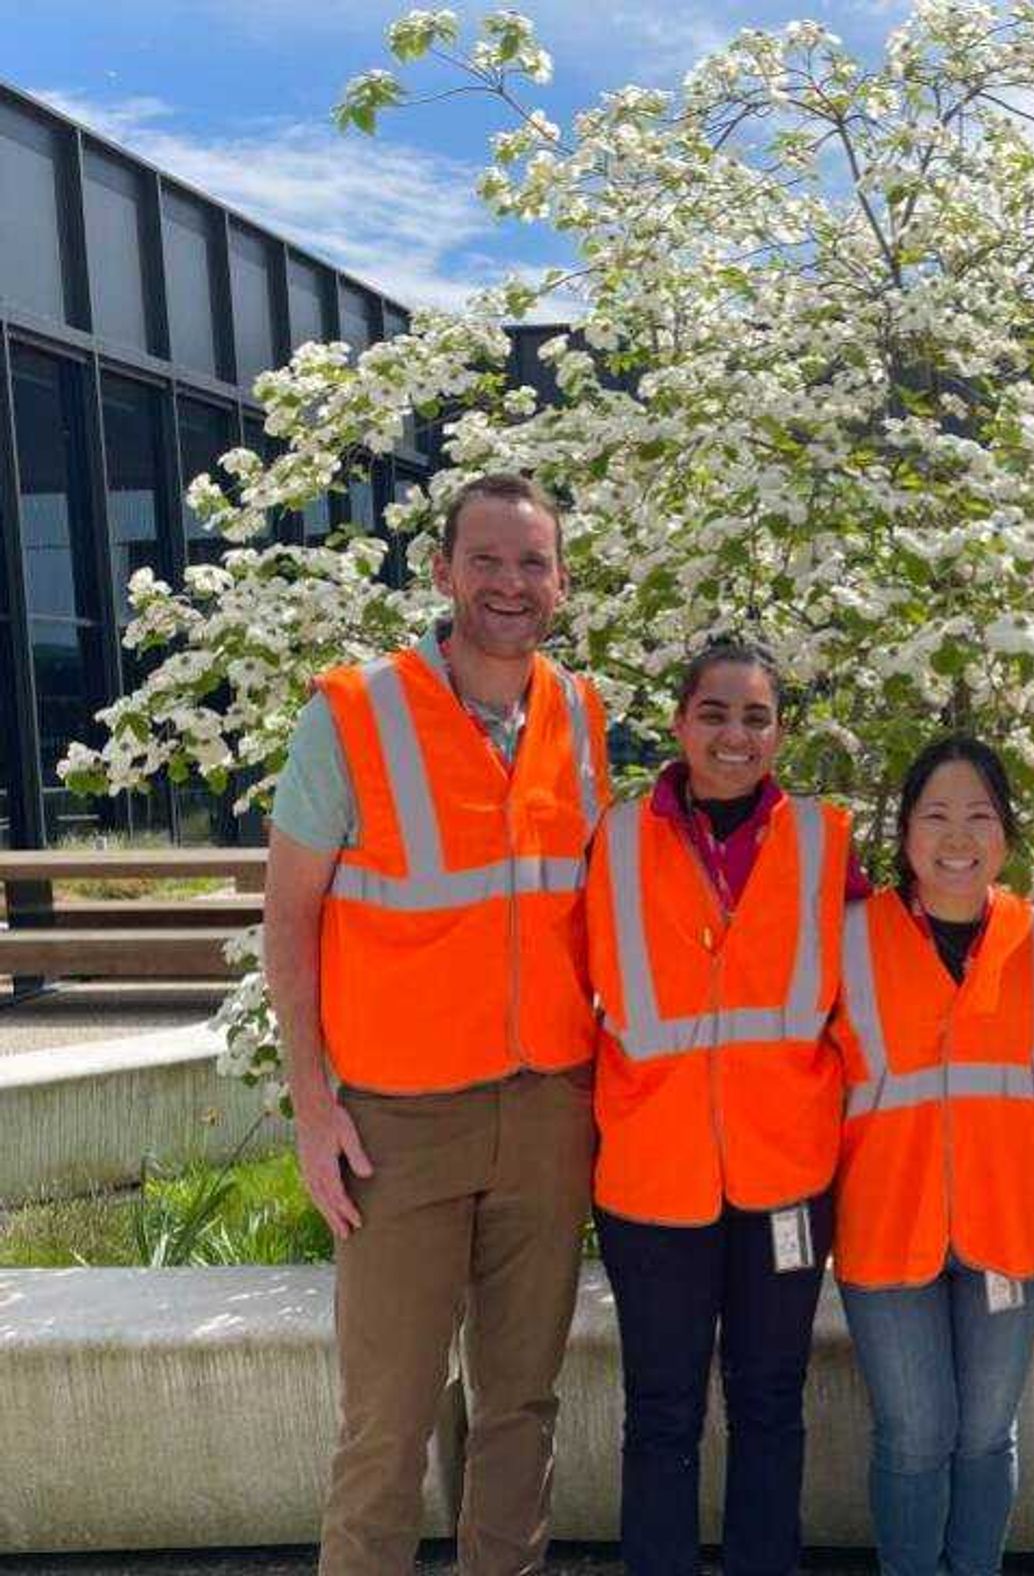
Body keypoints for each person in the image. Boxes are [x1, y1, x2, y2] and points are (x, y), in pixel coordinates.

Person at [266, 472, 611, 1576]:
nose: (511, 583)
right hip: (399, 1125)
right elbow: (289, 919)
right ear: (443, 571)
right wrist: (314, 1110)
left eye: (533, 562)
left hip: (548, 1110)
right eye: (489, 559)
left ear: (559, 581)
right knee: (386, 1423)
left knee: (520, 1408)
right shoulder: (355, 711)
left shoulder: (580, 714)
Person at [586, 641, 865, 1576]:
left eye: (756, 717)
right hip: (652, 1182)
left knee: (771, 1400)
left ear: (781, 731)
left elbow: (879, 983)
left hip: (786, 1178)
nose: (734, 735)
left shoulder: (829, 842)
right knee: (661, 1411)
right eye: (715, 713)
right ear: (678, 724)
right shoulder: (614, 839)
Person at [831, 736, 1034, 1576]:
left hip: (1009, 1230)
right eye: (935, 816)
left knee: (983, 1434)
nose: (957, 837)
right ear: (903, 835)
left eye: (979, 816)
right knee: (916, 1433)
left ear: (1008, 835)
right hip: (888, 1231)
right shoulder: (848, 939)